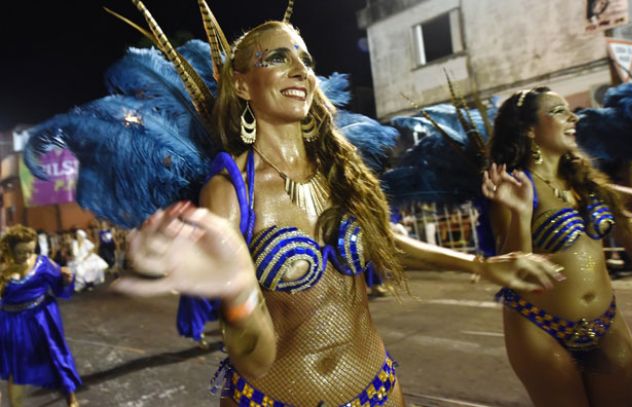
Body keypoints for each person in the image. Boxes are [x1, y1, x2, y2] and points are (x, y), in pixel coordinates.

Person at [113, 15, 563, 406]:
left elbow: (386, 243)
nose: (300, 70)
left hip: (380, 389)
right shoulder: (231, 191)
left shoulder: (342, 171)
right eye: (277, 58)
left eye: (305, 61)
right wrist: (236, 291)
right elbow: (253, 359)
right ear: (241, 83)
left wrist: (484, 265)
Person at [483, 87, 632, 406]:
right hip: (541, 326)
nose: (573, 116)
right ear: (529, 130)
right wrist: (519, 214)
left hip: (606, 319)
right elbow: (514, 274)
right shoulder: (515, 186)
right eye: (559, 111)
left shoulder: (584, 180)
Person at [0, 225, 81, 407]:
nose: (28, 256)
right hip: (13, 323)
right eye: (21, 252)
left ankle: (71, 396)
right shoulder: (2, 269)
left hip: (42, 317)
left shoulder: (43, 264)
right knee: (16, 366)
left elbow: (60, 289)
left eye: (30, 250)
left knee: (56, 355)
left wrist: (66, 280)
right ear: (10, 249)